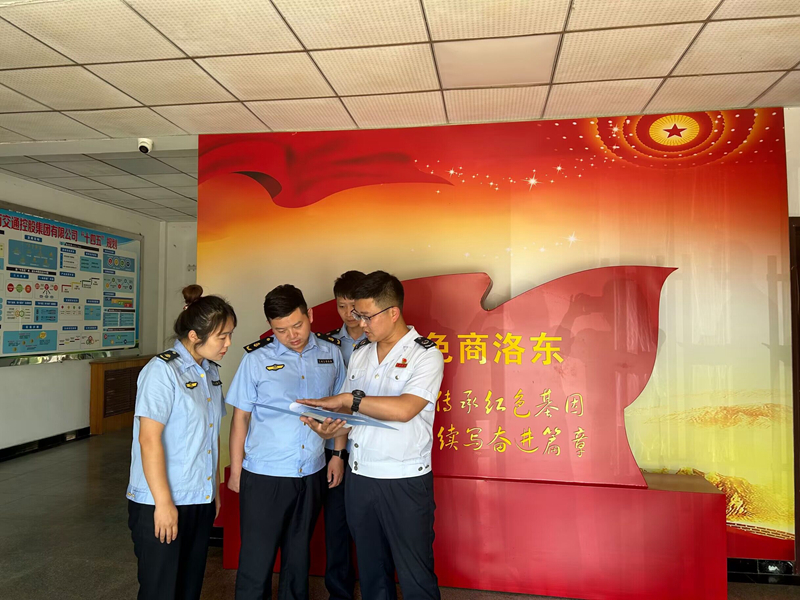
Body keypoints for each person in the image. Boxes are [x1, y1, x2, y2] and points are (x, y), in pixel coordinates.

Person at [299, 271, 445, 600]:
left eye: (366, 316)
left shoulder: (425, 354)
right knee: (371, 571)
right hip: (361, 477)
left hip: (404, 479)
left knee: (415, 575)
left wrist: (349, 400)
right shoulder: (362, 352)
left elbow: (405, 409)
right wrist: (330, 428)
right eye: (357, 315)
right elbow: (351, 416)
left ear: (393, 312)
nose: (359, 323)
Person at [227, 284, 346, 600]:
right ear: (270, 327)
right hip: (265, 475)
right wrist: (236, 471)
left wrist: (337, 454)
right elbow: (240, 418)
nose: (292, 335)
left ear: (310, 315)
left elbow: (341, 409)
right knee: (257, 560)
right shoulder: (256, 359)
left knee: (298, 557)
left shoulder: (331, 353)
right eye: (281, 330)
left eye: (297, 325)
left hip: (311, 471)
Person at [126, 284, 237, 600]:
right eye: (222, 337)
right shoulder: (161, 372)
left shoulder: (210, 372)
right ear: (194, 336)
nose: (228, 343)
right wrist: (163, 504)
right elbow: (149, 440)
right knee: (161, 590)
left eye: (230, 335)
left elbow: (210, 436)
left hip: (198, 498)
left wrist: (213, 491)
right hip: (161, 501)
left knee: (189, 588)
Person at [319, 270, 365, 600]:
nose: (348, 314)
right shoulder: (326, 345)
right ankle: (339, 592)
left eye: (354, 306)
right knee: (335, 523)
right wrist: (336, 452)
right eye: (341, 306)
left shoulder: (381, 341)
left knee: (369, 524)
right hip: (333, 448)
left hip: (369, 445)